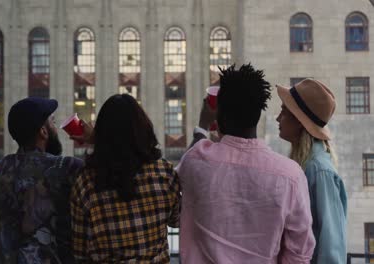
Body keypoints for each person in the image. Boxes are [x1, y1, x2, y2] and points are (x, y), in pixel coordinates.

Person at [176, 64, 315, 263]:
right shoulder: (291, 175)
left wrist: (202, 126)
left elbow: (187, 163)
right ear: (258, 114)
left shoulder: (196, 160)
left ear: (219, 114)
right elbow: (299, 252)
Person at [70, 94, 180, 263]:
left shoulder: (85, 182)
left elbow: (80, 251)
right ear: (144, 128)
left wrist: (98, 141)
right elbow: (177, 220)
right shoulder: (164, 173)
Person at [0, 97, 83, 264]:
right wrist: (93, 140)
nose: (56, 128)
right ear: (43, 131)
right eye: (52, 122)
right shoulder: (65, 168)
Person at [276, 79, 347, 264]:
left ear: (299, 121)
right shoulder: (306, 164)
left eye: (283, 112)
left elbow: (331, 247)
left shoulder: (319, 170)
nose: (277, 118)